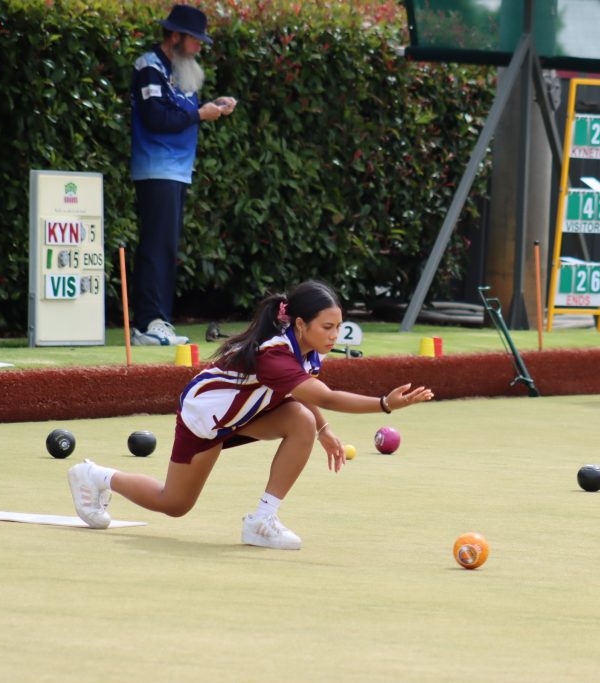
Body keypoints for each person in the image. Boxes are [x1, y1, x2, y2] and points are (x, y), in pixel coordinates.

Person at [67, 280, 435, 549]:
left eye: (338, 327)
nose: (334, 335)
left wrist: (323, 430)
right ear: (301, 324)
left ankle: (261, 521)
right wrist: (385, 404)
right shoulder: (275, 355)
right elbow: (327, 395)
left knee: (302, 421)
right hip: (207, 419)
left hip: (249, 412)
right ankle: (95, 476)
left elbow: (306, 396)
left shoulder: (307, 348)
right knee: (174, 504)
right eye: (327, 327)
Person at [130, 4, 237, 345]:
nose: (199, 47)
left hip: (176, 171)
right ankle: (149, 321)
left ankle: (160, 319)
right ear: (175, 36)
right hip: (156, 169)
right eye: (195, 40)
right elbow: (156, 118)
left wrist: (212, 106)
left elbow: (183, 110)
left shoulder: (180, 67)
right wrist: (200, 116)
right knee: (156, 246)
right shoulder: (149, 66)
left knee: (166, 246)